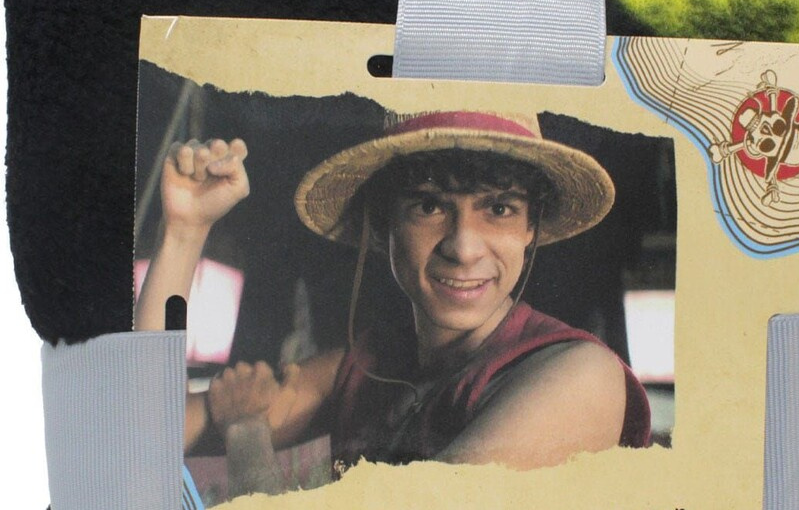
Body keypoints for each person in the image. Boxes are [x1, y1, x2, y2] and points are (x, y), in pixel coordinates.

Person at [135, 111, 651, 488]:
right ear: (383, 226)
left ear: (530, 229)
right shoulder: (364, 368)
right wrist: (184, 232)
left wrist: (247, 431)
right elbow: (141, 435)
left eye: (499, 209)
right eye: (429, 206)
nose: (463, 247)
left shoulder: (579, 374)